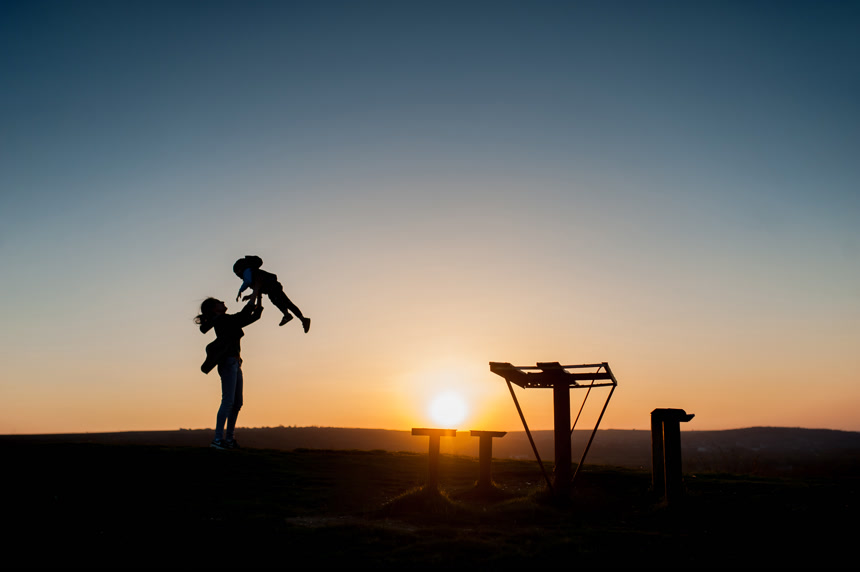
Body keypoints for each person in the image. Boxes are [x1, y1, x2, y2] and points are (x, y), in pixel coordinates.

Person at [195, 297, 263, 450]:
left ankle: (229, 440)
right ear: (214, 308)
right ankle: (218, 439)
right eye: (220, 302)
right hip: (228, 363)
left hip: (235, 363)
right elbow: (244, 315)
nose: (223, 302)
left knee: (236, 402)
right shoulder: (223, 319)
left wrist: (258, 296)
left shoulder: (225, 320)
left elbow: (251, 317)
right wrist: (254, 294)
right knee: (228, 401)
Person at [233, 255, 311, 333]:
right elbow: (259, 287)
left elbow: (249, 282)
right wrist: (251, 296)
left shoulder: (247, 272)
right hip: (273, 286)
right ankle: (300, 318)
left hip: (272, 288)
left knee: (279, 301)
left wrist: (240, 290)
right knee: (286, 302)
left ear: (239, 269)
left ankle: (288, 316)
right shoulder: (252, 272)